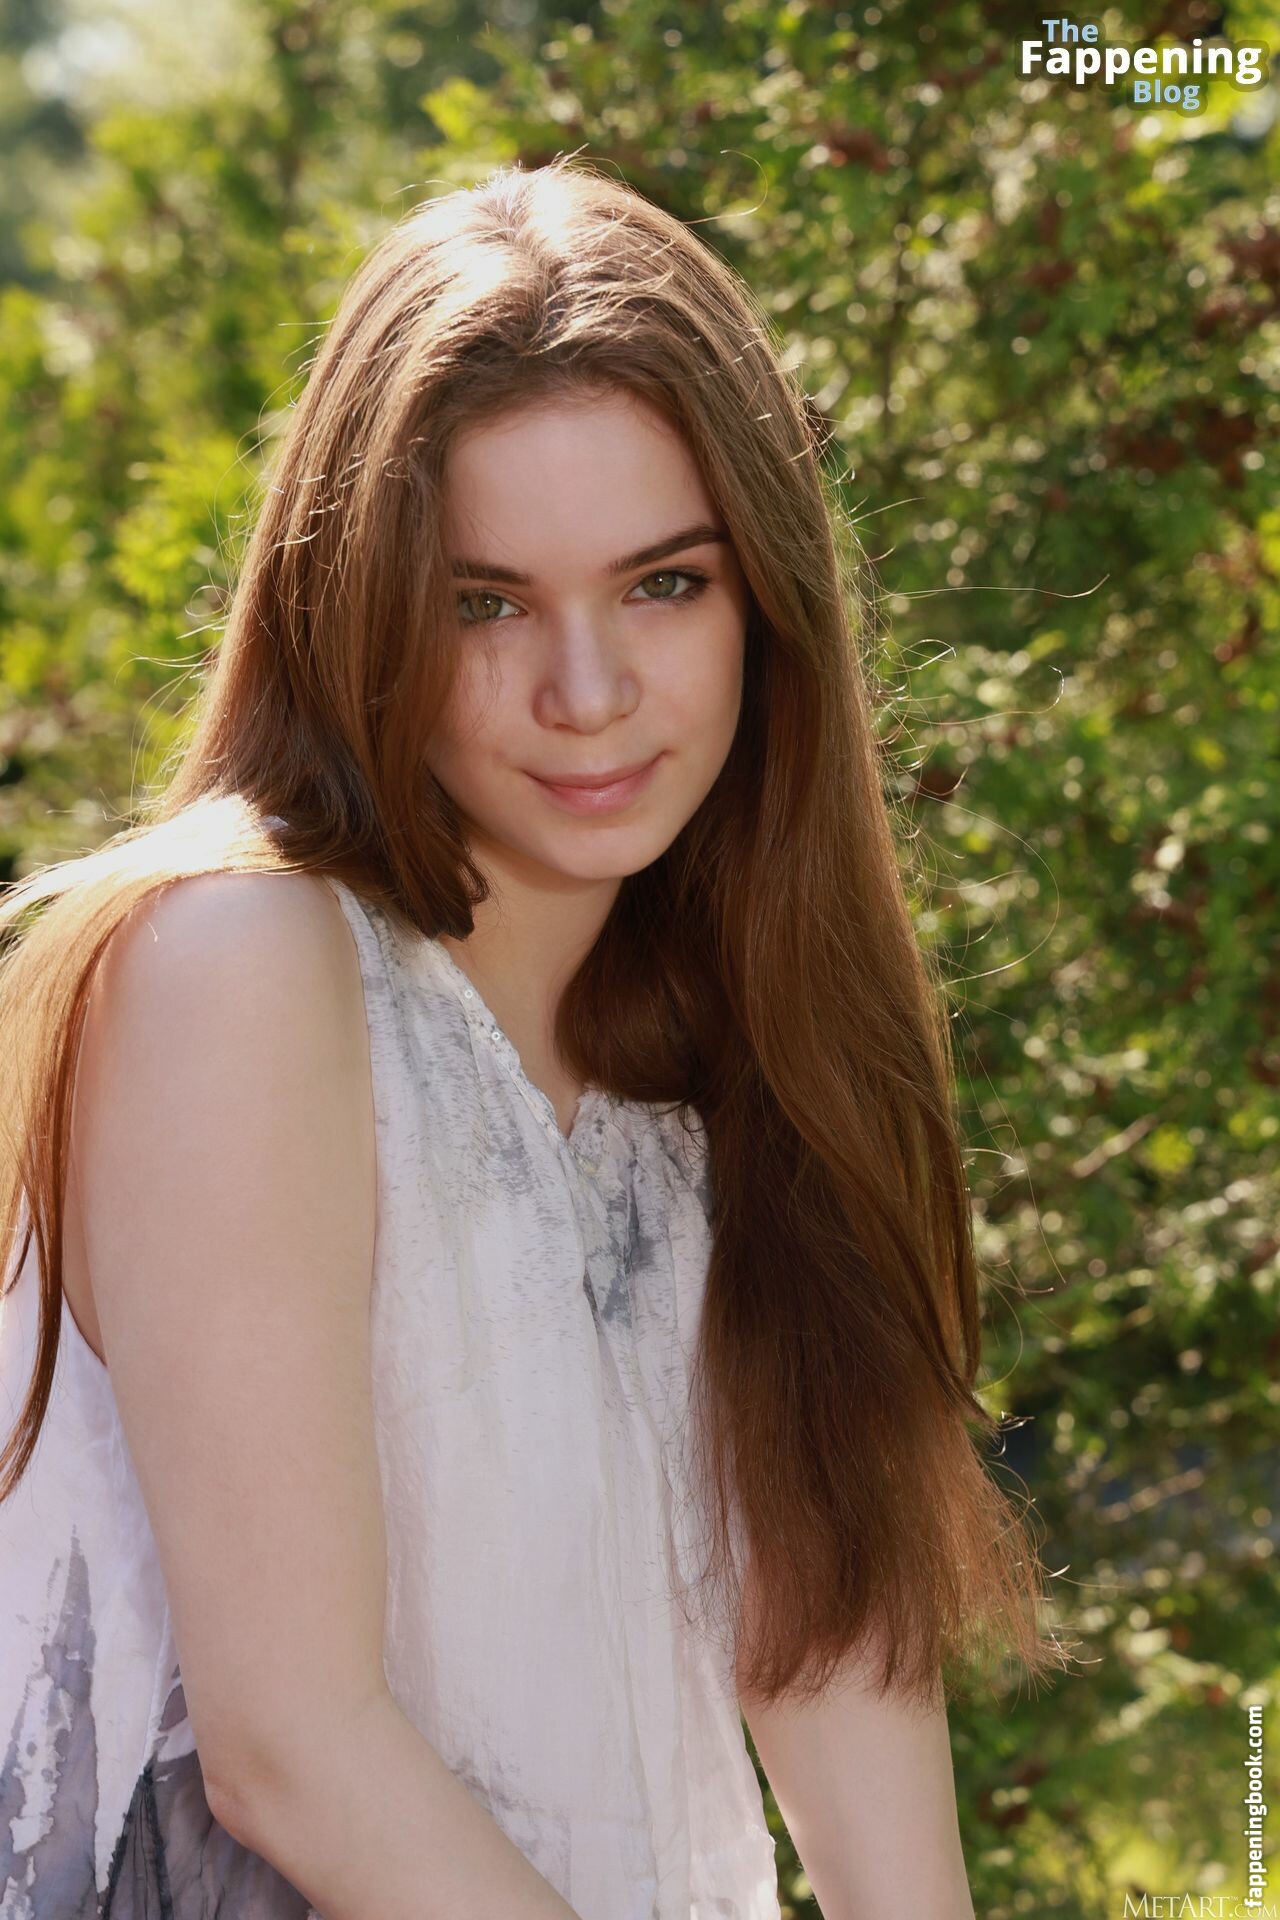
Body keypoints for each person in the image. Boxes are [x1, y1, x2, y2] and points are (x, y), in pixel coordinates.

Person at [0, 157, 1071, 1920]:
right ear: (359, 612)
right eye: (482, 603)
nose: (589, 692)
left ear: (767, 598)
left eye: (664, 585)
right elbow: (293, 1748)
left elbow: (835, 1651)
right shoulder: (238, 963)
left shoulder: (731, 1043)